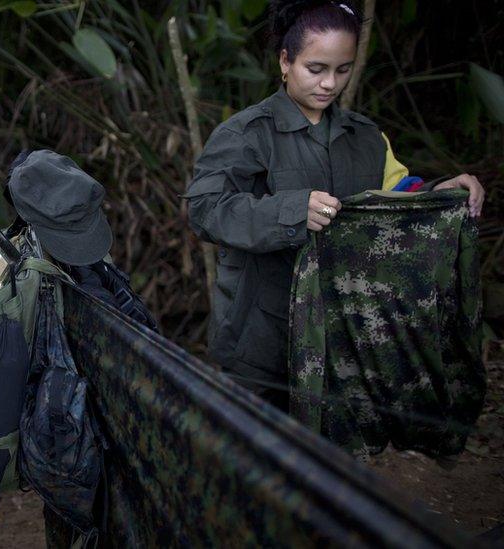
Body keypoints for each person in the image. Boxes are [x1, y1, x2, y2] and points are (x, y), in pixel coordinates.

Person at [185, 0, 485, 410]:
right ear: (285, 61)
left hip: (343, 336)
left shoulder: (366, 138)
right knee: (259, 455)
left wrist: (441, 192)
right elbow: (205, 210)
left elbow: (395, 197)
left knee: (327, 457)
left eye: (342, 70)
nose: (330, 83)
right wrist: (291, 212)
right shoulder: (246, 134)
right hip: (259, 334)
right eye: (316, 69)